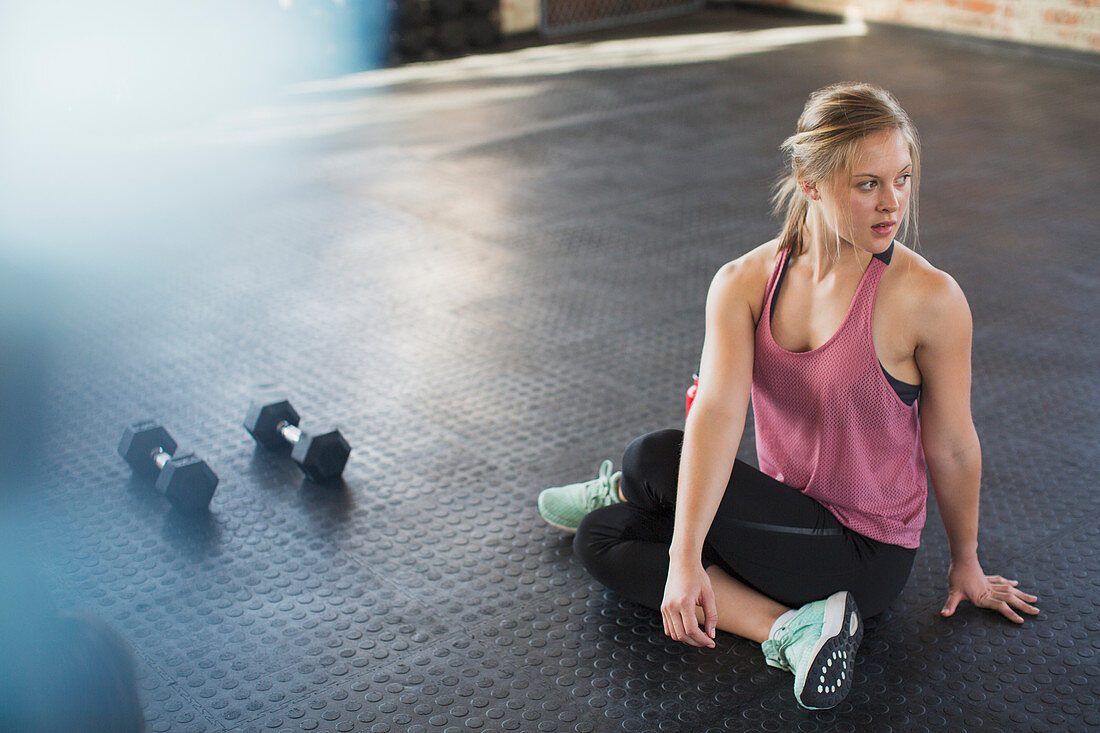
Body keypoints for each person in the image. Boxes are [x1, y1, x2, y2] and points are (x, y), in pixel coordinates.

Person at [537, 82, 1039, 710]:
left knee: (653, 459)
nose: (893, 204)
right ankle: (790, 629)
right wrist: (684, 557)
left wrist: (965, 561)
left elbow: (955, 446)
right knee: (602, 538)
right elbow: (718, 413)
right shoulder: (745, 282)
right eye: (868, 184)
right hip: (780, 523)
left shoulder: (928, 299)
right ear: (809, 180)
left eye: (903, 178)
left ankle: (640, 486)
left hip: (864, 553)